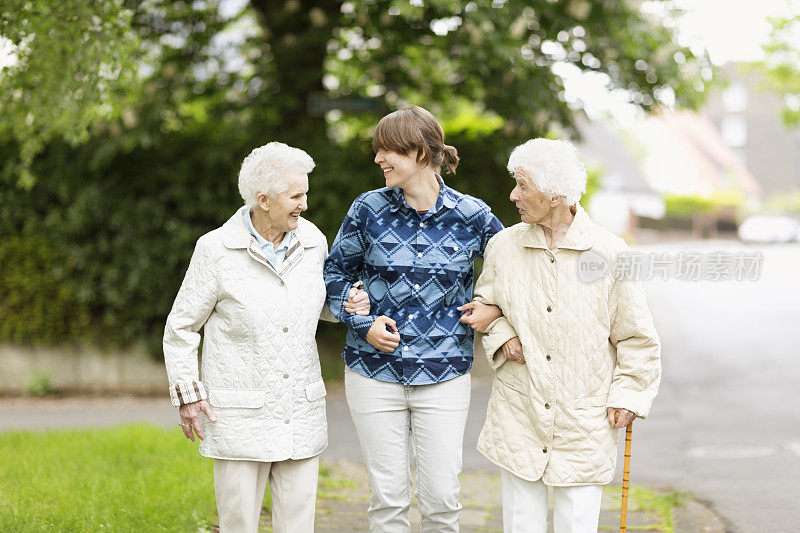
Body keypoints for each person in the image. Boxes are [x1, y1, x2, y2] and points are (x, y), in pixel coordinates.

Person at [163, 142, 368, 533]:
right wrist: (188, 394)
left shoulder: (312, 241)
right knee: (239, 523)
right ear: (263, 199)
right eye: (296, 196)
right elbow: (181, 328)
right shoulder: (216, 249)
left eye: (305, 193)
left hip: (299, 412)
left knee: (298, 526)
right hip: (241, 414)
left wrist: (348, 304)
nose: (304, 204)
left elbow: (318, 306)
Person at [465, 138, 662, 533]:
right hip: (520, 411)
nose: (513, 194)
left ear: (555, 195)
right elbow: (482, 307)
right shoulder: (503, 246)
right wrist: (502, 335)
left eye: (522, 185)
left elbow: (637, 337)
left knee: (577, 523)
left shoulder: (608, 253)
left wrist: (628, 393)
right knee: (522, 522)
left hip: (584, 418)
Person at [323, 106, 504, 532]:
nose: (378, 159)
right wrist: (361, 323)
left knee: (441, 497)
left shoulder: (473, 214)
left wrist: (494, 308)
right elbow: (335, 273)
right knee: (387, 500)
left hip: (444, 374)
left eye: (387, 150)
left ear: (420, 152)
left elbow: (513, 271)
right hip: (372, 373)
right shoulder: (368, 208)